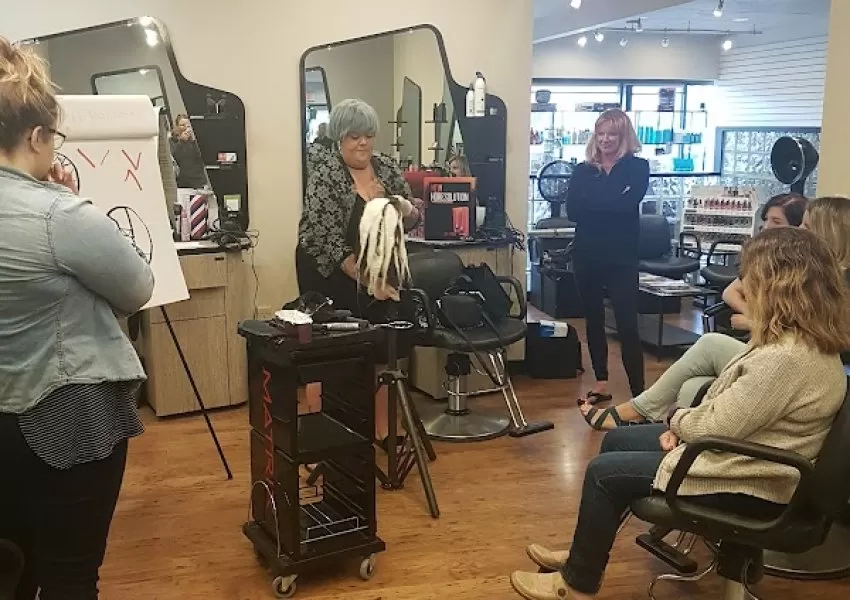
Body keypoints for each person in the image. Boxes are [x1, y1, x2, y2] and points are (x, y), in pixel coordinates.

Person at [510, 227, 850, 600]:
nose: (745, 290)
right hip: (749, 457)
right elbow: (731, 413)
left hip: (755, 481)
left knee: (604, 473)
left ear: (779, 287)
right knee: (619, 440)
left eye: (752, 281)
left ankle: (577, 584)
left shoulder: (786, 359)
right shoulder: (801, 343)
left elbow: (718, 427)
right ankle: (584, 554)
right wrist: (687, 427)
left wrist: (677, 421)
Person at [0, 38, 155, 599]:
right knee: (70, 574)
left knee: (12, 565)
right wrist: (62, 206)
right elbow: (137, 287)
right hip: (63, 418)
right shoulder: (58, 215)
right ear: (36, 136)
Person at [581, 195, 850, 431]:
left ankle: (646, 418)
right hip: (776, 355)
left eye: (806, 226)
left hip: (792, 369)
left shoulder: (827, 285)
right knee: (692, 386)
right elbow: (736, 293)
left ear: (831, 233)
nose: (799, 231)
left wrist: (755, 322)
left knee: (709, 346)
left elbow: (808, 341)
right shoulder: (809, 274)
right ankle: (665, 432)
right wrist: (762, 320)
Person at [296, 98, 420, 447]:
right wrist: (368, 281)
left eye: (368, 135)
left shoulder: (386, 168)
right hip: (327, 267)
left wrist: (405, 208)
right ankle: (328, 429)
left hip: (376, 264)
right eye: (354, 136)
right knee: (331, 345)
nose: (363, 143)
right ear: (339, 138)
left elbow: (412, 219)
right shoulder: (326, 175)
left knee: (383, 343)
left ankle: (382, 427)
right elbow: (327, 239)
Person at [568, 109, 650, 404]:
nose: (605, 140)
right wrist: (612, 199)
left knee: (627, 324)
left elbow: (627, 206)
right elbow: (573, 211)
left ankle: (639, 392)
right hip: (586, 253)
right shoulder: (583, 170)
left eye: (612, 134)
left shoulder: (637, 168)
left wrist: (594, 202)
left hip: (621, 257)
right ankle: (601, 381)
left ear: (623, 136)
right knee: (593, 320)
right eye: (600, 133)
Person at [722, 192, 808, 327]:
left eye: (776, 221)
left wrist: (755, 324)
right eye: (766, 219)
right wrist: (753, 316)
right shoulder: (763, 256)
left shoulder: (804, 266)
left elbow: (795, 323)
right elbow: (730, 292)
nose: (767, 226)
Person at [169, 114, 207, 189]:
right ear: (177, 126)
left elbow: (201, 157)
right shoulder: (172, 141)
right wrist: (182, 141)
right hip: (181, 182)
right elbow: (175, 157)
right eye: (182, 125)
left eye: (188, 126)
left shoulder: (196, 141)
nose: (185, 128)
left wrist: (194, 140)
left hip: (198, 181)